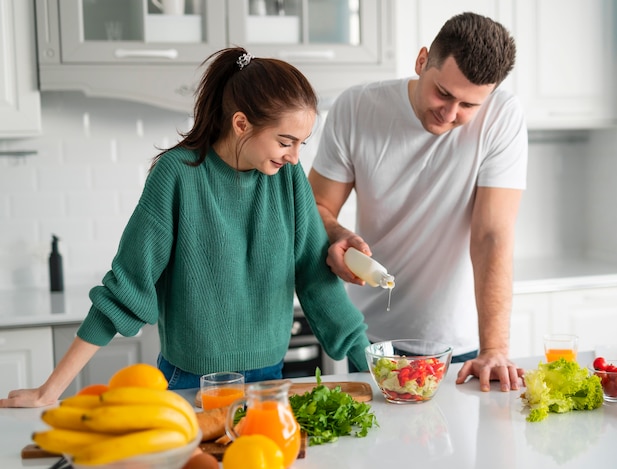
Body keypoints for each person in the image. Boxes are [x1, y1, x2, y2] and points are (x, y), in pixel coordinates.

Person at [0, 47, 371, 408]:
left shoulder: (287, 179)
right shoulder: (177, 175)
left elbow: (315, 277)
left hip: (269, 377)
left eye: (301, 144)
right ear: (241, 123)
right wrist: (49, 391)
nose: (294, 157)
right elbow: (126, 287)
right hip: (190, 383)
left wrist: (373, 369)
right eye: (285, 142)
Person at [308, 12, 527, 392]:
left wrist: (495, 348)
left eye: (469, 105)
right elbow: (315, 207)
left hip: (458, 348)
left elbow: (492, 234)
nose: (450, 113)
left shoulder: (502, 117)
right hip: (369, 342)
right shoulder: (356, 108)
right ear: (422, 60)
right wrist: (337, 232)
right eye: (443, 93)